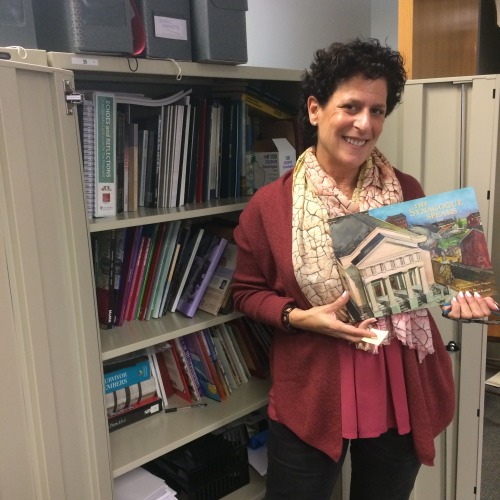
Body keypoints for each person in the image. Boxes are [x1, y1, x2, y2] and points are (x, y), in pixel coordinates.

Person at [231, 38, 499, 500]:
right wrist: (298, 318)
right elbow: (245, 292)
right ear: (315, 109)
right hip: (312, 393)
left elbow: (433, 282)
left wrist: (462, 303)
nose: (364, 124)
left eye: (377, 111)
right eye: (351, 106)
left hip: (400, 387)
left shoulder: (407, 190)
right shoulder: (271, 206)